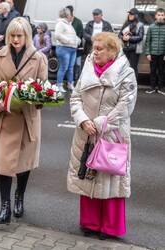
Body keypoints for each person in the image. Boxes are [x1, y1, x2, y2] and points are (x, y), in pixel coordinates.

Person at [67, 32, 137, 240]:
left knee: (111, 177)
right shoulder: (88, 67)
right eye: (93, 48)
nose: (94, 52)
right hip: (86, 132)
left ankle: (110, 227)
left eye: (99, 49)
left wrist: (98, 124)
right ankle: (90, 222)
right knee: (88, 176)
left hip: (111, 134)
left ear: (112, 51)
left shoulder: (126, 73)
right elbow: (76, 97)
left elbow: (125, 106)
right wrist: (82, 119)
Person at [0, 17, 48, 224]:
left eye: (19, 36)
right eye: (12, 35)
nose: (15, 39)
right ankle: (5, 207)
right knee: (3, 163)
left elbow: (43, 87)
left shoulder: (38, 58)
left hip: (27, 118)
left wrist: (36, 99)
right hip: (5, 116)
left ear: (27, 36)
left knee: (24, 163)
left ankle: (19, 197)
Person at [54, 7, 81, 92]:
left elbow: (74, 36)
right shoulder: (60, 23)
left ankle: (70, 84)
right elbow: (57, 35)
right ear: (66, 15)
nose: (71, 15)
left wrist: (77, 41)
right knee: (63, 67)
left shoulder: (69, 24)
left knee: (70, 68)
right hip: (63, 49)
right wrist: (68, 41)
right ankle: (59, 85)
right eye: (70, 14)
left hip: (72, 49)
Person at [119, 8, 144, 81]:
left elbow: (140, 37)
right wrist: (123, 37)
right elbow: (119, 35)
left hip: (134, 49)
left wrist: (129, 38)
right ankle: (125, 83)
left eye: (132, 14)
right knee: (124, 67)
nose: (130, 15)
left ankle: (133, 84)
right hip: (125, 49)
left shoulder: (140, 25)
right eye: (129, 14)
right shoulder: (126, 23)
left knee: (133, 68)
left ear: (136, 15)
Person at [145, 8, 165, 95]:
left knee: (162, 71)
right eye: (159, 15)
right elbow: (148, 41)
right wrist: (148, 53)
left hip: (162, 54)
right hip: (153, 53)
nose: (160, 17)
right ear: (156, 16)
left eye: (162, 15)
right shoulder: (151, 27)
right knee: (153, 71)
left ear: (164, 16)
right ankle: (152, 87)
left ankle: (161, 87)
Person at [66, 5, 83, 81]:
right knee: (69, 65)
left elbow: (80, 34)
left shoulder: (78, 22)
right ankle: (69, 80)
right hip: (68, 47)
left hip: (77, 47)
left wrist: (75, 42)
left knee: (78, 64)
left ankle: (78, 80)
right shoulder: (65, 21)